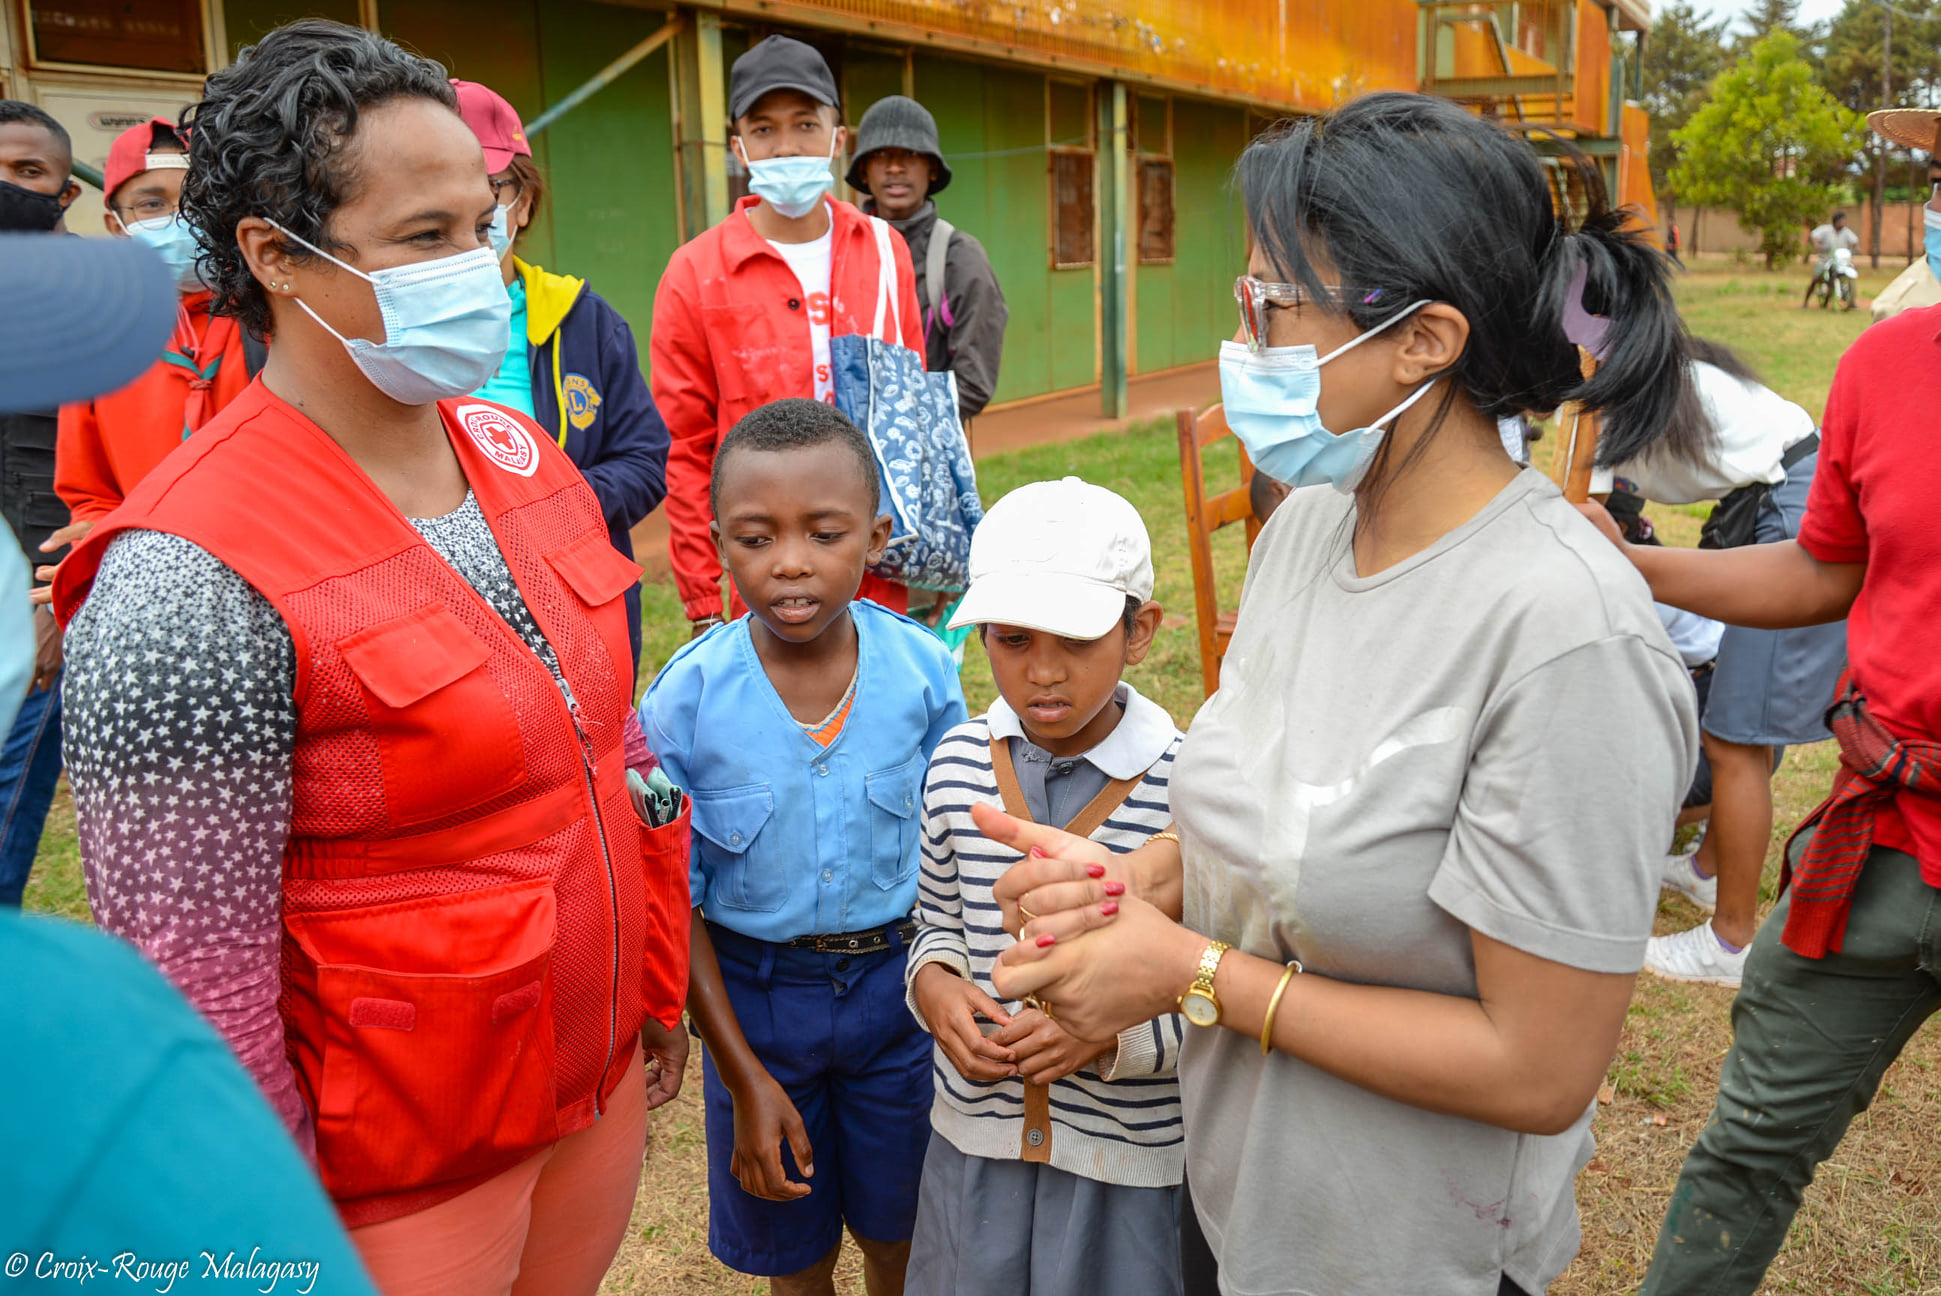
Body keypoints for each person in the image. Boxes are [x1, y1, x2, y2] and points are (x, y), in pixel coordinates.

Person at [961, 93, 1703, 1296]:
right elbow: (1284, 810)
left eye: (1272, 307)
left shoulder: (1565, 637)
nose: (1241, 339)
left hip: (1413, 1253)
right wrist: (1133, 884)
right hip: (1247, 1205)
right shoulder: (1308, 527)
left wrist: (1188, 975)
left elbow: (1536, 1066)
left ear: (1425, 339)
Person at [50, 22, 691, 1293]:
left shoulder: (517, 454)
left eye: (486, 218)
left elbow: (608, 739)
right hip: (395, 1188)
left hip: (593, 1089)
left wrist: (649, 973)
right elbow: (194, 981)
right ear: (277, 258)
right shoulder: (186, 578)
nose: (485, 264)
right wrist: (269, 1230)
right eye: (426, 238)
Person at [1589, 105, 1941, 1296]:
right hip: (1884, 834)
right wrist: (1630, 567)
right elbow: (1821, 568)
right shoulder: (1885, 367)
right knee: (1745, 1150)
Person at [641, 398, 967, 1296]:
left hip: (899, 997)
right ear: (715, 543)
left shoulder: (926, 677)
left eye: (825, 533)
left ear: (876, 535)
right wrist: (741, 1075)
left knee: (906, 1235)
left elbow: (960, 846)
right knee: (794, 1256)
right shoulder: (684, 704)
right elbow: (675, 898)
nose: (789, 563)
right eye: (755, 538)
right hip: (755, 1005)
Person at [906, 477, 1184, 1296]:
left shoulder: (1190, 786)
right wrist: (936, 986)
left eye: (1075, 640)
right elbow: (934, 921)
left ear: (1140, 632)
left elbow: (1212, 987)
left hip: (1125, 1169)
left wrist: (1110, 1039)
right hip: (975, 1148)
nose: (1043, 673)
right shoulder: (957, 764)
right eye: (1013, 640)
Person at [1591, 337, 1844, 988]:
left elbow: (1591, 525)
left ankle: (1729, 944)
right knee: (1738, 718)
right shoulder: (1650, 364)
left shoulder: (1607, 389)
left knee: (1735, 736)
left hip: (1789, 513)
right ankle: (1706, 872)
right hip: (1768, 498)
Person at [653, 35, 922, 637]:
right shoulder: (695, 271)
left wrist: (917, 558)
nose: (786, 146)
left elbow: (908, 410)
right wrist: (702, 597)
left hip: (875, 561)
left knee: (883, 713)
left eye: (805, 124)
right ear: (738, 146)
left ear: (838, 137)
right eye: (765, 129)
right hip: (768, 566)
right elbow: (687, 446)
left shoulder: (884, 251)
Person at [454, 79, 669, 676]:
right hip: (440, 614)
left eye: (492, 187)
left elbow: (644, 460)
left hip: (575, 601)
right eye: (443, 185)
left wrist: (552, 510)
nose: (469, 208)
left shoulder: (584, 321)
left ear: (523, 204)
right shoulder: (382, 331)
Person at [0, 102, 81, 908]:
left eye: (29, 173)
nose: (10, 189)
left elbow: (72, 476)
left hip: (36, 616)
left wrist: (55, 601)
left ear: (66, 193)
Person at [846, 95, 1008, 423]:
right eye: (880, 155)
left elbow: (973, 383)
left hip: (926, 453)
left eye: (912, 154)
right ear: (863, 170)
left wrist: (894, 431)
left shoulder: (958, 257)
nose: (894, 167)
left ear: (932, 168)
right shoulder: (838, 251)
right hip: (841, 454)